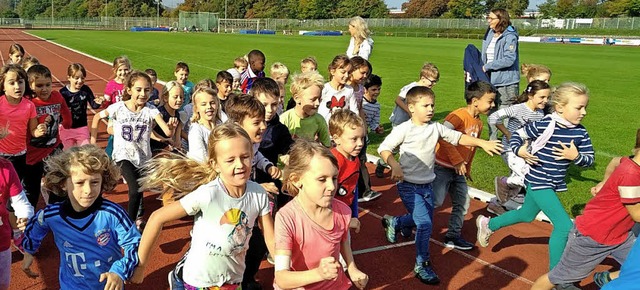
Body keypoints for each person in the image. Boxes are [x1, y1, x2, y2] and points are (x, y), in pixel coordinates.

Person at [379, 86, 502, 285]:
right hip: (408, 185)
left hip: (427, 185)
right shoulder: (404, 129)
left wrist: (482, 143)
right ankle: (422, 264)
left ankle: (396, 223)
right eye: (425, 105)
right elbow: (385, 148)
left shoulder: (435, 128)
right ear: (411, 107)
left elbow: (459, 137)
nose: (431, 109)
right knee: (425, 224)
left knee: (423, 219)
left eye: (432, 105)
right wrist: (394, 164)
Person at [131, 123, 275, 290]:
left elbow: (270, 238)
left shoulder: (258, 194)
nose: (240, 165)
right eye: (230, 160)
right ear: (215, 164)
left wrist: (283, 268)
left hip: (232, 280)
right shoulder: (208, 194)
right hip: (198, 281)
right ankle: (178, 275)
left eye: (245, 157)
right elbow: (157, 217)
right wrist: (141, 266)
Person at [477, 82, 595, 271]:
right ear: (560, 107)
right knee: (564, 226)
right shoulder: (546, 124)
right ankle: (555, 276)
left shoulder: (581, 132)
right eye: (579, 107)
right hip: (539, 180)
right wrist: (520, 150)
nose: (584, 112)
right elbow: (517, 135)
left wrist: (576, 157)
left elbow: (589, 160)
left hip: (553, 183)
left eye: (585, 108)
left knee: (526, 214)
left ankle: (489, 223)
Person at [530, 129, 640, 290]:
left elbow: (615, 161)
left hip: (620, 236)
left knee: (636, 268)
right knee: (556, 277)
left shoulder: (630, 163)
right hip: (592, 237)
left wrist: (604, 182)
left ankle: (607, 278)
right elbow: (637, 214)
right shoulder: (631, 174)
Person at [21, 144, 141, 290]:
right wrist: (29, 251)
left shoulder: (113, 213)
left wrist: (119, 271)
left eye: (95, 182)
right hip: (70, 286)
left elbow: (134, 243)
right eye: (79, 183)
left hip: (106, 286)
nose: (88, 190)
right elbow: (37, 224)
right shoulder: (52, 215)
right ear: (64, 183)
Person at [273, 139, 368, 290]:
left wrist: (352, 268)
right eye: (322, 179)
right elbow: (281, 278)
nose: (331, 186)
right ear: (297, 180)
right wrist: (318, 274)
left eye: (334, 178)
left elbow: (343, 242)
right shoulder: (286, 218)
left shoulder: (343, 211)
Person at [90, 71, 175, 228]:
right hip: (123, 155)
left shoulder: (151, 110)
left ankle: (137, 218)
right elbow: (96, 117)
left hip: (143, 157)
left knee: (140, 189)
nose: (143, 94)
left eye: (147, 90)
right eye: (138, 89)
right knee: (135, 190)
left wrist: (170, 128)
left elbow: (167, 131)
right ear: (129, 90)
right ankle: (127, 226)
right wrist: (93, 142)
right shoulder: (118, 108)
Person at [225, 93, 282, 290]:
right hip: (230, 207)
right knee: (231, 247)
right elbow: (233, 178)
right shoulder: (229, 148)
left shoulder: (253, 144)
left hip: (250, 202)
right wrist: (259, 187)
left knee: (257, 245)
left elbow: (257, 156)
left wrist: (267, 167)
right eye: (257, 122)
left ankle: (247, 278)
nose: (264, 127)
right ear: (238, 124)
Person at [432, 81, 498, 251]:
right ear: (475, 101)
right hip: (442, 166)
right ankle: (402, 222)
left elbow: (472, 148)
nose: (493, 105)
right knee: (436, 201)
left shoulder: (479, 123)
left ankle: (453, 236)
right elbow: (442, 136)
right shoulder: (458, 116)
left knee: (462, 203)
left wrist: (466, 168)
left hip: (459, 170)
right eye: (490, 101)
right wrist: (456, 160)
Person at [487, 80, 550, 215]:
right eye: (542, 97)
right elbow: (493, 118)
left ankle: (496, 204)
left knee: (529, 177)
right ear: (531, 96)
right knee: (525, 176)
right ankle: (503, 182)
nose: (545, 101)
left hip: (525, 152)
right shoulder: (518, 109)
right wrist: (507, 133)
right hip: (510, 149)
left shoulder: (540, 114)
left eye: (547, 97)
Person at [0, 64, 43, 252]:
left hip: (19, 156)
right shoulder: (0, 103)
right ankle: (14, 232)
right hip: (1, 157)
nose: (17, 86)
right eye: (12, 82)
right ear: (3, 86)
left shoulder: (29, 106)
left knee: (13, 198)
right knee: (6, 198)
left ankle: (14, 232)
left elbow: (32, 131)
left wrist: (38, 131)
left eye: (20, 81)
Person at [377, 62, 439, 177]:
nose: (434, 84)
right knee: (395, 148)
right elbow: (398, 100)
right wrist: (410, 112)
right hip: (400, 121)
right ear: (423, 78)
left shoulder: (426, 92)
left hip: (413, 124)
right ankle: (382, 163)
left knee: (411, 147)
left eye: (436, 81)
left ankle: (407, 170)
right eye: (432, 81)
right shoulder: (411, 88)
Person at [25, 64, 73, 207]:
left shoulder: (57, 96)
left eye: (48, 84)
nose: (44, 89)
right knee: (31, 191)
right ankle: (29, 220)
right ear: (30, 85)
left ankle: (56, 214)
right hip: (33, 154)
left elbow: (65, 111)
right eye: (39, 85)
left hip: (54, 149)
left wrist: (67, 122)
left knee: (59, 184)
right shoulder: (28, 102)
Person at [482, 8, 520, 141]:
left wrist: (487, 66)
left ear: (501, 20)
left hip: (506, 82)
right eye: (488, 18)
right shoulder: (489, 33)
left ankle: (507, 142)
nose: (488, 21)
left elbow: (509, 59)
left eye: (491, 18)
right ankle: (492, 141)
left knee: (504, 114)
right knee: (491, 111)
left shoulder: (510, 36)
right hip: (491, 81)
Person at [0, 146, 34, 290]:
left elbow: (21, 203)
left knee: (3, 284)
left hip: (1, 241)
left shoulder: (5, 168)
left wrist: (24, 216)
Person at [329, 109, 365, 231]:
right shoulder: (332, 162)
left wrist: (354, 215)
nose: (360, 143)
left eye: (362, 138)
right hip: (330, 214)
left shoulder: (355, 159)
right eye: (354, 139)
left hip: (344, 211)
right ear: (336, 138)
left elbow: (353, 190)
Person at [280, 71, 331, 148]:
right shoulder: (285, 119)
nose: (317, 103)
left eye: (319, 99)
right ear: (297, 98)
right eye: (313, 99)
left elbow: (327, 146)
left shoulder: (319, 120)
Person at [60, 63, 104, 149]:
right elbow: (59, 110)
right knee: (67, 154)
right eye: (76, 78)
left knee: (85, 152)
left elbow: (94, 105)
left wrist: (99, 102)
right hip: (66, 129)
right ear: (69, 78)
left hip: (82, 128)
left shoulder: (85, 90)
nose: (80, 81)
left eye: (82, 78)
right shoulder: (63, 92)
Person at [318, 55, 358, 124]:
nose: (346, 76)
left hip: (342, 128)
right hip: (324, 127)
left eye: (348, 73)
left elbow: (354, 111)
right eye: (343, 72)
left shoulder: (349, 90)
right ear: (332, 71)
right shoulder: (324, 89)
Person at [187, 88, 221, 163]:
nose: (209, 107)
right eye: (203, 104)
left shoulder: (220, 124)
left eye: (212, 103)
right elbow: (199, 159)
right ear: (196, 108)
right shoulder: (196, 129)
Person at [150, 81, 183, 154]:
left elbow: (179, 125)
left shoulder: (176, 114)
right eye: (175, 97)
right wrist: (162, 139)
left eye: (181, 97)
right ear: (165, 98)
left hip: (166, 149)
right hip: (154, 149)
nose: (179, 100)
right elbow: (148, 130)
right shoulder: (160, 114)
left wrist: (177, 141)